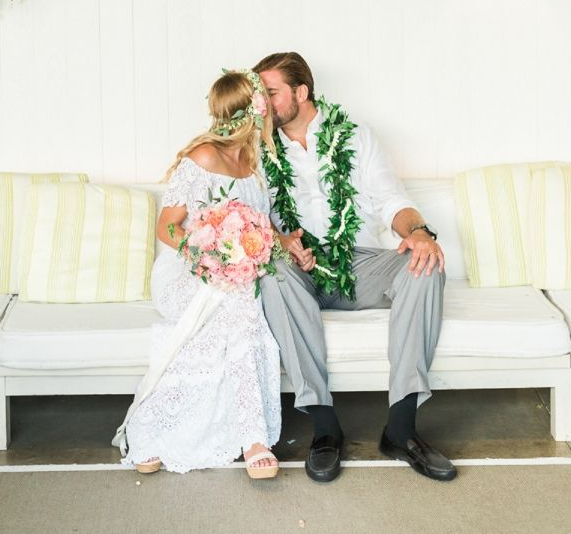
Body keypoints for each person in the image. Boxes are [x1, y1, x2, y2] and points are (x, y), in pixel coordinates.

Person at [253, 51, 456, 484]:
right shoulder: (256, 148)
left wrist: (418, 231)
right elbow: (252, 215)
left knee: (426, 263)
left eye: (270, 93)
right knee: (272, 273)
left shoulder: (356, 136)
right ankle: (325, 428)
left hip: (359, 263)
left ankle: (401, 429)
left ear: (301, 92)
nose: (261, 103)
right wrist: (282, 242)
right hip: (299, 269)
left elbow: (390, 200)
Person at [115, 70, 281, 479]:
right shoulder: (203, 157)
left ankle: (231, 435)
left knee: (241, 300)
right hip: (185, 270)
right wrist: (211, 257)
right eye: (264, 102)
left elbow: (260, 227)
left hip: (234, 276)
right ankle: (246, 438)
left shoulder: (255, 163)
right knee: (239, 302)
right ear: (252, 111)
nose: (270, 110)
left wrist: (281, 243)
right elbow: (167, 228)